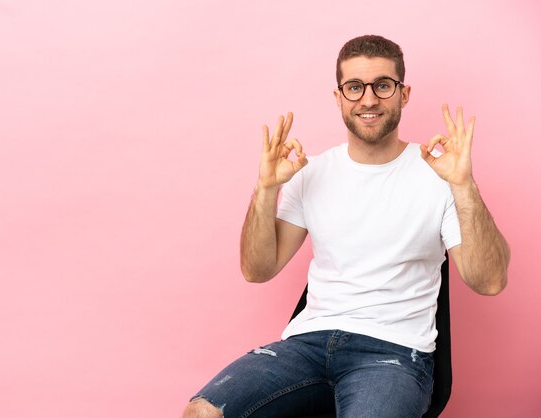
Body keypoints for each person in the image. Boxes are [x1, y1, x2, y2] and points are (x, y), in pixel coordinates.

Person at [182, 35, 510, 418]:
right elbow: (257, 270)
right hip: (306, 345)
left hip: (392, 353)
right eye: (354, 87)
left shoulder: (439, 175)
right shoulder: (311, 173)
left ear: (403, 94)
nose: (368, 100)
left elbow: (489, 281)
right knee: (203, 412)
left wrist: (464, 186)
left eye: (382, 86)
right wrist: (266, 188)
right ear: (339, 97)